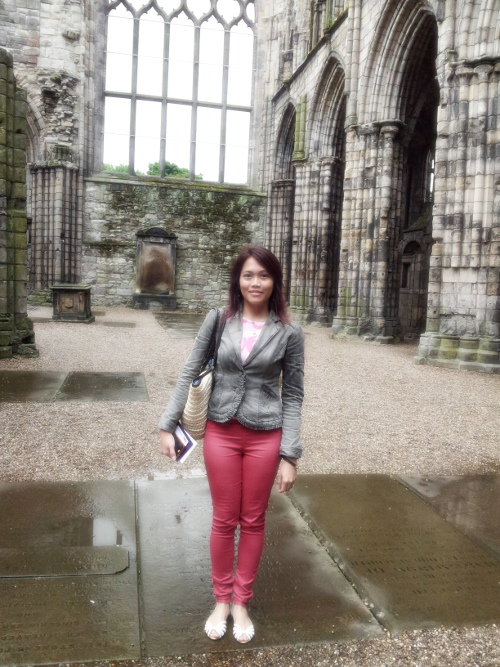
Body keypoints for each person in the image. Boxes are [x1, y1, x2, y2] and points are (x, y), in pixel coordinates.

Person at [159, 245, 304, 644]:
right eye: (248, 275)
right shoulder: (219, 320)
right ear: (237, 280)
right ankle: (221, 600)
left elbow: (293, 394)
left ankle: (242, 601)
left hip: (265, 435)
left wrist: (290, 455)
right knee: (224, 519)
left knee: (253, 519)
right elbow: (190, 370)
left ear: (275, 282)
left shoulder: (289, 332)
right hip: (220, 430)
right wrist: (167, 424)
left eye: (264, 275)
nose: (255, 282)